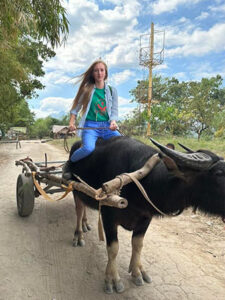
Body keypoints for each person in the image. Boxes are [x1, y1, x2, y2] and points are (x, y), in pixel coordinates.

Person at [63, 60, 121, 179]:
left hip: (106, 126)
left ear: (106, 73)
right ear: (92, 73)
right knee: (88, 148)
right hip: (91, 126)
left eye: (102, 70)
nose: (99, 73)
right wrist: (71, 123)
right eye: (96, 70)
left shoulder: (112, 90)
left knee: (122, 144)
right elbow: (75, 109)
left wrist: (113, 122)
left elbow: (114, 111)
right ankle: (69, 164)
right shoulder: (87, 90)